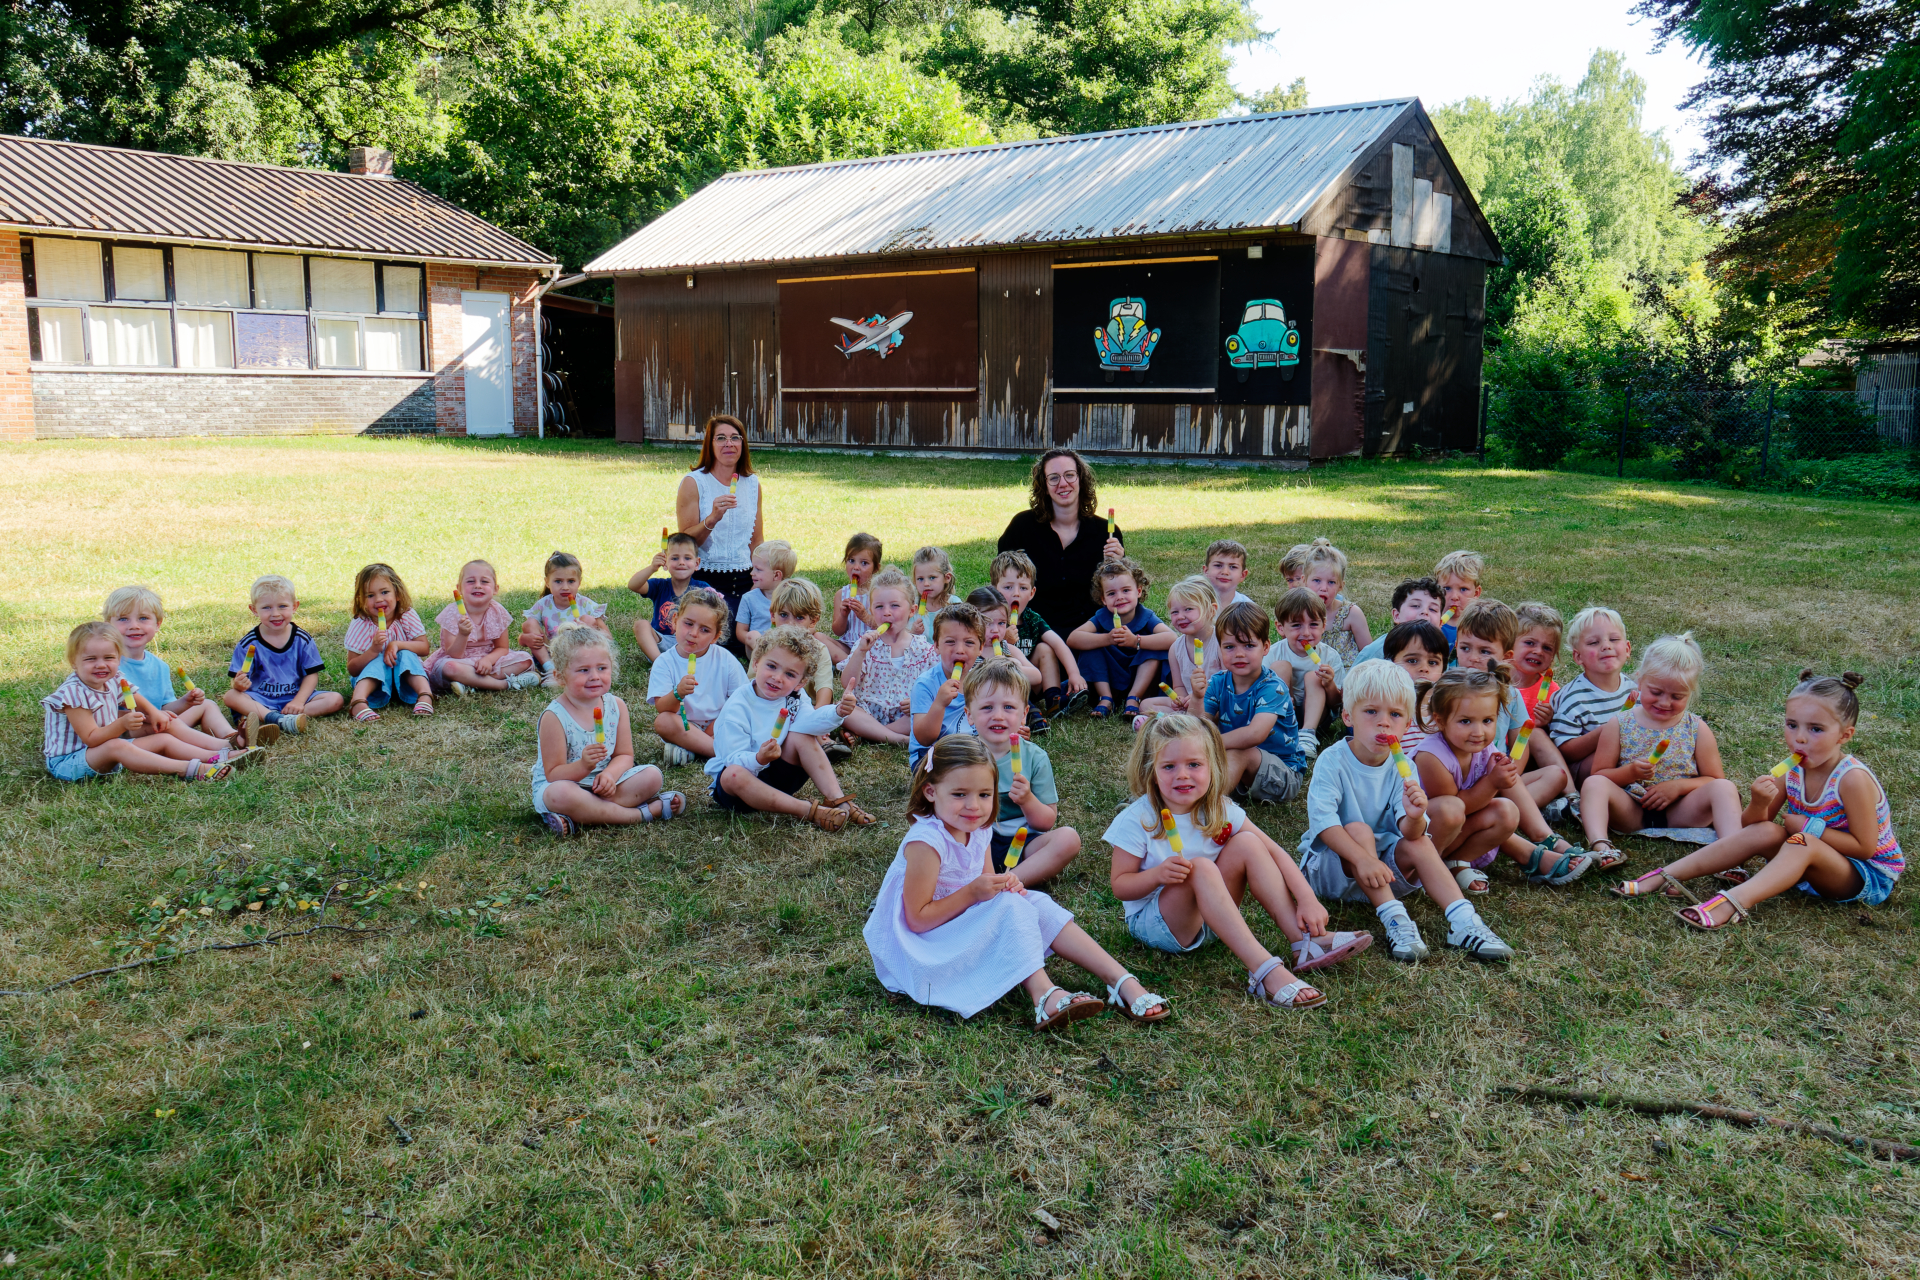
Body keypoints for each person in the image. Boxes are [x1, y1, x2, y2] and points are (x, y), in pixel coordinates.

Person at [863, 735, 1168, 1030]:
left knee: (1034, 902)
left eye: (984, 795)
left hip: (959, 924)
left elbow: (986, 885)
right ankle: (1044, 995)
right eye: (959, 794)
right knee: (1009, 906)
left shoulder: (978, 828)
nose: (974, 806)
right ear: (931, 792)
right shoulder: (926, 843)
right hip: (925, 947)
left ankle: (1121, 981)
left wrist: (1003, 885)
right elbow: (917, 920)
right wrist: (974, 893)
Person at [1106, 715, 1371, 1010]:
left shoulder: (1220, 809)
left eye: (1194, 764)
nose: (1182, 775)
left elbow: (1274, 852)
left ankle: (1303, 942)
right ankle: (1265, 970)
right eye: (1169, 766)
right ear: (1152, 772)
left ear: (1213, 766)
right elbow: (1120, 885)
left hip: (1213, 918)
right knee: (1201, 867)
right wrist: (1157, 875)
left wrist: (1306, 898)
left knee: (1248, 843)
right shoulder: (1139, 818)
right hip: (1158, 924)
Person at [1615, 672, 1903, 929]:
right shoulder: (1792, 771)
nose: (1800, 738)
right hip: (1806, 862)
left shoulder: (1851, 779)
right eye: (1792, 725)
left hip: (1862, 876)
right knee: (1770, 832)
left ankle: (1732, 903)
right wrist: (1758, 803)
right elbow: (1752, 829)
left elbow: (1865, 848)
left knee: (1803, 841)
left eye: (1816, 729)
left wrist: (1809, 827)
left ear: (1845, 735)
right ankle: (1665, 876)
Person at [1296, 660, 1515, 963]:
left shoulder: (1404, 767)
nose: (1384, 723)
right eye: (1371, 712)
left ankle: (1464, 921)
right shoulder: (1332, 761)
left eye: (1395, 715)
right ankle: (1396, 920)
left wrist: (1414, 816)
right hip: (1334, 873)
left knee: (1419, 841)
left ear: (1408, 724)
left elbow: (1410, 833)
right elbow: (1324, 823)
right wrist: (1363, 859)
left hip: (1384, 871)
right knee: (1358, 829)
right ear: (1348, 716)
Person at [1412, 667, 1591, 894]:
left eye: (1487, 720)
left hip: (1460, 833)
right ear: (1440, 720)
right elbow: (1455, 811)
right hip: (1430, 838)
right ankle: (1434, 867)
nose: (1479, 731)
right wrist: (1492, 782)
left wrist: (1500, 775)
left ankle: (1541, 839)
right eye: (1465, 721)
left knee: (1507, 809)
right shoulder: (1431, 757)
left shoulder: (1481, 747)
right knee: (1454, 807)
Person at [1578, 633, 1743, 870]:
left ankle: (1732, 854)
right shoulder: (1619, 724)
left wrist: (1677, 787)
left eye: (1677, 696)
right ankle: (1601, 847)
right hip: (1631, 810)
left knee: (1725, 788)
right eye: (1656, 692)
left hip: (1681, 811)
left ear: (1691, 693)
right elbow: (1599, 774)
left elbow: (1714, 779)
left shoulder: (1696, 728)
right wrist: (1630, 772)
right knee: (1593, 784)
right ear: (1639, 681)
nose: (1665, 703)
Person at [707, 626, 872, 829]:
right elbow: (731, 757)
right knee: (732, 774)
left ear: (800, 683)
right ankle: (808, 811)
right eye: (772, 666)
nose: (778, 678)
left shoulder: (795, 697)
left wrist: (837, 712)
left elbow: (810, 723)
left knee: (802, 736)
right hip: (741, 790)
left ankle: (838, 799)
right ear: (756, 662)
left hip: (780, 776)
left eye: (790, 674)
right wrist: (759, 758)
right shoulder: (737, 706)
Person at [43, 621, 245, 782]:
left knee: (163, 738)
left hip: (106, 749)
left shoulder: (113, 679)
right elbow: (92, 739)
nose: (101, 665)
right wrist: (122, 724)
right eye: (90, 659)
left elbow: (134, 696)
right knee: (116, 745)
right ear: (73, 662)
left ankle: (220, 754)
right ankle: (189, 769)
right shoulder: (74, 694)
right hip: (71, 762)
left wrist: (155, 713)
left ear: (119, 658)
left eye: (109, 658)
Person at [531, 625, 683, 835]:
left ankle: (584, 814)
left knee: (652, 776)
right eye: (583, 670)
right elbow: (553, 774)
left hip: (606, 784)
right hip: (567, 784)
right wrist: (583, 765)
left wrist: (610, 776)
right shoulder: (555, 717)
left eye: (602, 668)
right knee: (559, 794)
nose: (595, 676)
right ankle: (640, 814)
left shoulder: (616, 706)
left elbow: (624, 755)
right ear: (560, 676)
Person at [963, 658, 1080, 884]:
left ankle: (1010, 882)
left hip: (1024, 843)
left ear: (1024, 713)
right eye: (987, 707)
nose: (998, 715)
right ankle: (982, 879)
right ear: (969, 715)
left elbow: (1046, 822)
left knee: (1068, 839)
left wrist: (1027, 800)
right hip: (975, 842)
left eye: (1008, 707)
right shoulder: (961, 757)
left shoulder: (1035, 758)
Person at [995, 448, 1124, 640]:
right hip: (1036, 631)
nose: (1063, 483)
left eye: (1069, 475)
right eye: (1054, 478)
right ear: (1044, 485)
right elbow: (1000, 583)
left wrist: (1119, 565)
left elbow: (1120, 592)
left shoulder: (1106, 533)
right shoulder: (1021, 527)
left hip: (1090, 632)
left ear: (1081, 479)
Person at [103, 585, 238, 749]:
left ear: (158, 624)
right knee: (170, 723)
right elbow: (103, 714)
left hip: (159, 725)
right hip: (127, 736)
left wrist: (185, 702)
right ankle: (226, 747)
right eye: (123, 619)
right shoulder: (105, 667)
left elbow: (166, 707)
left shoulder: (160, 666)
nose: (134, 625)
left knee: (206, 705)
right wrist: (152, 716)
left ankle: (231, 735)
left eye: (143, 618)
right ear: (108, 625)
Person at [1199, 602, 1306, 805]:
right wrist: (1197, 698)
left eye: (1248, 645)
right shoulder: (1217, 682)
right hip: (1233, 764)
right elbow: (1198, 726)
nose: (1239, 654)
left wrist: (1207, 742)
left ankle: (1204, 805)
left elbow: (1254, 734)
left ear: (1265, 647)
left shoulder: (1273, 687)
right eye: (1229, 647)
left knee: (1241, 752)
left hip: (1283, 774)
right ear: (1219, 649)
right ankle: (1162, 798)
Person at [676, 413, 763, 654]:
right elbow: (685, 543)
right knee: (720, 639)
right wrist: (712, 518)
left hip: (745, 580)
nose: (729, 444)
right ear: (710, 444)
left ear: (742, 444)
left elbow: (757, 541)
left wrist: (761, 581)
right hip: (705, 580)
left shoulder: (752, 484)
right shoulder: (694, 482)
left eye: (735, 438)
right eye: (721, 438)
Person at [223, 574, 344, 742]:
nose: (275, 614)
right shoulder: (248, 643)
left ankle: (274, 718)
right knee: (231, 696)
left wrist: (299, 701)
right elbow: (238, 681)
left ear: (294, 606)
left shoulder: (302, 639)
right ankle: (277, 718)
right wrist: (238, 684)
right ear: (254, 610)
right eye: (266, 607)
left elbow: (311, 675)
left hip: (295, 696)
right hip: (261, 699)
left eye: (282, 606)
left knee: (335, 699)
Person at [646, 587, 744, 766]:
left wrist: (716, 724)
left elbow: (740, 700)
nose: (694, 633)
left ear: (715, 637)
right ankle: (721, 753)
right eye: (688, 624)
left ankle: (696, 749)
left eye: (705, 630)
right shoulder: (664, 662)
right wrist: (678, 693)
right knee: (663, 722)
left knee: (738, 720)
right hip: (685, 726)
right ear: (675, 621)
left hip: (719, 724)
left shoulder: (725, 660)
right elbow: (662, 707)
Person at [839, 566, 935, 746]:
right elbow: (847, 682)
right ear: (871, 610)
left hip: (905, 715)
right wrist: (860, 652)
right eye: (879, 606)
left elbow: (936, 687)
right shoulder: (865, 644)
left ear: (912, 610)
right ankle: (898, 739)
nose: (887, 612)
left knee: (928, 712)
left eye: (895, 605)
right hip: (868, 711)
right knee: (844, 710)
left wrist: (917, 702)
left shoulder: (923, 649)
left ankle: (870, 734)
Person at [1068, 558, 1171, 719]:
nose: (1120, 597)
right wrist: (1107, 639)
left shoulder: (1145, 615)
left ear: (1138, 591)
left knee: (1154, 648)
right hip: (1109, 676)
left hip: (1140, 676)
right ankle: (1105, 698)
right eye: (1111, 593)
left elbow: (1171, 638)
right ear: (1103, 599)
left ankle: (1134, 698)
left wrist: (1136, 641)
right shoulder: (1102, 617)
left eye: (1126, 590)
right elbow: (1073, 639)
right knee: (1090, 646)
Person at [1545, 605, 1636, 787]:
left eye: (1614, 639)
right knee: (1609, 751)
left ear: (1627, 649)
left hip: (1629, 762)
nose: (1606, 646)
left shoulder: (1634, 690)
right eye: (1594, 643)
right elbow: (1565, 751)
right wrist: (1607, 731)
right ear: (1578, 657)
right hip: (1586, 771)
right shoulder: (1574, 699)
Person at [990, 550, 1086, 715]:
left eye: (1023, 588)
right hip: (999, 683)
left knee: (1045, 649)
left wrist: (1074, 674)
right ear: (994, 589)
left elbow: (1058, 644)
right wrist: (1003, 639)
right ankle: (1024, 709)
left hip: (1031, 681)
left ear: (1032, 593)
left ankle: (1053, 700)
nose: (1016, 593)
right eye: (1008, 587)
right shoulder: (990, 619)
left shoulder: (1032, 619)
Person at [426, 559, 540, 697]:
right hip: (460, 661)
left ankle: (470, 683)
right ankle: (504, 684)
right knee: (449, 668)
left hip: (488, 657)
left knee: (525, 660)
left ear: (495, 589)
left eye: (484, 581)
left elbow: (502, 648)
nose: (477, 585)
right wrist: (463, 634)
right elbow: (454, 654)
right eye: (470, 581)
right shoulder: (452, 613)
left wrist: (488, 660)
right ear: (459, 588)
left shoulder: (497, 611)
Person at [345, 563, 434, 721]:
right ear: (361, 600)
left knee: (406, 653)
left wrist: (397, 644)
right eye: (370, 595)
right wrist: (373, 650)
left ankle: (425, 695)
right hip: (374, 688)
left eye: (385, 592)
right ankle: (358, 702)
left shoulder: (406, 615)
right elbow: (353, 669)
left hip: (406, 682)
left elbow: (424, 648)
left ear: (397, 593)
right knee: (377, 658)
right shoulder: (361, 623)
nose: (379, 599)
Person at [1264, 586, 1344, 758]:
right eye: (1296, 625)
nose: (1306, 633)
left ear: (1323, 625)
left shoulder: (1329, 656)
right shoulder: (1273, 653)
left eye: (1313, 624)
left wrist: (1329, 684)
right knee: (1280, 667)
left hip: (1318, 717)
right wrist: (1279, 696)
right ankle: (1280, 731)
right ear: (1280, 627)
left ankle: (1307, 736)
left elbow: (1337, 704)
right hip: (1281, 713)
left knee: (1314, 676)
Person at [909, 602, 987, 773]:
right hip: (931, 757)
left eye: (969, 643)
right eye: (950, 642)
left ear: (980, 648)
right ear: (936, 646)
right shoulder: (925, 684)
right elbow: (923, 738)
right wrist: (939, 704)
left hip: (972, 754)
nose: (960, 650)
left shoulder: (984, 683)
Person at [1136, 575, 1219, 721]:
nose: (1180, 616)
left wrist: (1199, 697)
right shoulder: (1175, 648)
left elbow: (1228, 682)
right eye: (1175, 612)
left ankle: (1173, 721)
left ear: (1211, 611)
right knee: (1145, 705)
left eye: (1188, 609)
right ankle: (1181, 720)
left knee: (1213, 711)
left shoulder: (1221, 642)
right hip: (1188, 704)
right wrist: (1180, 698)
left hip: (1214, 701)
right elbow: (1179, 686)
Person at [520, 551, 610, 685]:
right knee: (529, 623)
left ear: (579, 582)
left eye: (571, 581)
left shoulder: (585, 605)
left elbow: (608, 638)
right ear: (547, 582)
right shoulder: (543, 604)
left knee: (589, 620)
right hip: (551, 655)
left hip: (580, 655)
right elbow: (525, 634)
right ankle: (550, 671)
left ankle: (579, 670)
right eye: (558, 581)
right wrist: (525, 639)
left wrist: (586, 629)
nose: (565, 587)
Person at [629, 532, 716, 662]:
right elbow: (633, 585)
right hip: (662, 642)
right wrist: (652, 568)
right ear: (665, 562)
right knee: (641, 625)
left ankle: (684, 661)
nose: (681, 562)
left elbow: (716, 614)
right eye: (675, 558)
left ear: (697, 563)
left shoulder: (702, 589)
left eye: (687, 558)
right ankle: (659, 663)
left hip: (691, 641)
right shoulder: (660, 586)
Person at [1300, 538, 1370, 662]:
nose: (1323, 588)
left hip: (1347, 673)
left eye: (1331, 582)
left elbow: (1369, 655)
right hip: (1309, 672)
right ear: (1304, 581)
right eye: (1317, 580)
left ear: (1340, 586)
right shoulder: (1296, 613)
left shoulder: (1351, 614)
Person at [1354, 577, 1444, 666]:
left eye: (1433, 609)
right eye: (1415, 606)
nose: (1425, 612)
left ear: (1440, 624)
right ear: (1397, 615)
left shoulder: (1439, 652)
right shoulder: (1375, 654)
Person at [826, 532, 882, 664]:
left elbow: (884, 626)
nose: (856, 567)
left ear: (876, 568)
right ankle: (852, 663)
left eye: (864, 563)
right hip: (847, 646)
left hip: (872, 646)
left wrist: (865, 616)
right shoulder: (841, 594)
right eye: (851, 561)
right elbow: (838, 632)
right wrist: (843, 615)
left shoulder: (878, 594)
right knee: (817, 636)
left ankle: (851, 665)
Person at [734, 540, 794, 653]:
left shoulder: (793, 597)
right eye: (753, 568)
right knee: (753, 635)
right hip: (758, 647)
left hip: (786, 645)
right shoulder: (749, 598)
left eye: (758, 569)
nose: (752, 573)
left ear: (776, 575)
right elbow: (740, 632)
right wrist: (751, 639)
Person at [1433, 549, 1485, 647]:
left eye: (1463, 589)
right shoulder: (1430, 623)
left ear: (1476, 593)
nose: (1454, 597)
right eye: (1447, 588)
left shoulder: (1482, 626)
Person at [908, 546, 962, 636]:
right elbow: (902, 638)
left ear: (947, 578)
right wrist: (913, 633)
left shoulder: (955, 604)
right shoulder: (913, 606)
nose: (926, 584)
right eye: (920, 579)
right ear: (914, 581)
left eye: (932, 577)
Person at [1201, 539, 1255, 608]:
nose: (1225, 572)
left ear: (1242, 575)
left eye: (1233, 567)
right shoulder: (1192, 602)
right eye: (1218, 565)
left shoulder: (1248, 609)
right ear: (1206, 571)